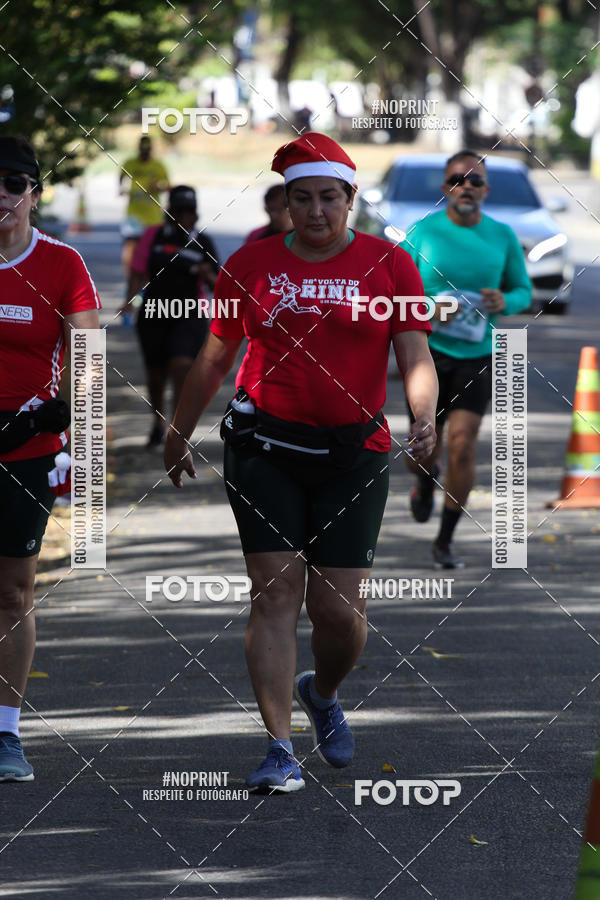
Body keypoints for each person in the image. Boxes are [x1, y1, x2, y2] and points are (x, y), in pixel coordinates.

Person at [164, 132, 438, 793]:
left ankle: (325, 691)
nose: (315, 211)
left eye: (328, 198)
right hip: (264, 450)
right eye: (302, 198)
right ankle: (279, 748)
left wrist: (423, 417)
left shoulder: (390, 265)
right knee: (275, 593)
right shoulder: (250, 265)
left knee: (340, 614)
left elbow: (415, 355)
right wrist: (178, 429)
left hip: (355, 453)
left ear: (350, 200)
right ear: (286, 201)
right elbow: (214, 357)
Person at [0, 136, 101, 781]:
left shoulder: (63, 265)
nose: (0, 198)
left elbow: (88, 367)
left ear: (35, 194)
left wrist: (51, 423)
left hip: (26, 449)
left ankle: (6, 733)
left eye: (13, 184)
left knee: (12, 593)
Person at [402, 150, 531, 568]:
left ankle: (444, 539)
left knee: (463, 445)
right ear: (446, 189)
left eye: (476, 181)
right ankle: (424, 481)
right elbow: (393, 294)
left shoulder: (503, 235)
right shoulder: (422, 232)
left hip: (478, 354)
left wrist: (505, 299)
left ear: (486, 191)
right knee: (424, 444)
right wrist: (428, 307)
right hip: (427, 353)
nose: (467, 187)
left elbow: (524, 291)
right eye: (459, 180)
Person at [125, 185, 219, 447]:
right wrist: (130, 301)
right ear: (170, 212)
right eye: (178, 211)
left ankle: (176, 429)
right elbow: (138, 271)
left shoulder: (203, 241)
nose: (183, 217)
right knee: (156, 374)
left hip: (190, 313)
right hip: (154, 312)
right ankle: (158, 421)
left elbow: (217, 283)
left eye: (188, 212)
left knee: (181, 366)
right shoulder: (153, 236)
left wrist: (204, 271)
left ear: (195, 214)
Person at [119, 136, 169, 286]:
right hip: (134, 214)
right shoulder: (130, 163)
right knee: (130, 248)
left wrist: (158, 187)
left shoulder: (158, 166)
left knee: (151, 252)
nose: (144, 153)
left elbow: (167, 185)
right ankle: (130, 282)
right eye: (142, 150)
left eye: (147, 150)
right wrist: (121, 187)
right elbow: (121, 175)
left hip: (153, 217)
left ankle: (146, 283)